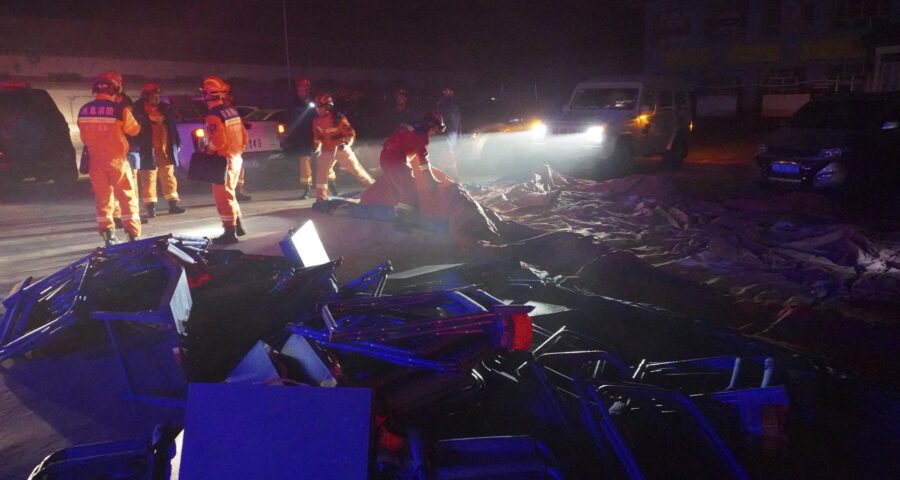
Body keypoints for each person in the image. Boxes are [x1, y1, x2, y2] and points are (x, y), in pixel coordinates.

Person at [77, 71, 142, 245]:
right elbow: (135, 130)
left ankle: (108, 235)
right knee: (127, 198)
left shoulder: (84, 110)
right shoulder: (120, 110)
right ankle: (133, 235)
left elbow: (83, 136)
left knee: (103, 199)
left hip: (95, 162)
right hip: (117, 162)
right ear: (115, 88)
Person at [201, 76, 248, 245]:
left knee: (223, 196)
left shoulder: (214, 115)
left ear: (209, 95)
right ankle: (238, 225)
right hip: (236, 158)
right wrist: (237, 152)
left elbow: (218, 141)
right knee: (231, 194)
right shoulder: (231, 111)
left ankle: (229, 231)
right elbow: (244, 136)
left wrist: (208, 150)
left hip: (223, 161)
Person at [311, 92, 374, 210]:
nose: (318, 109)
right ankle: (321, 200)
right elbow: (317, 137)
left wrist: (346, 144)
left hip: (341, 149)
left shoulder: (338, 119)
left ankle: (375, 189)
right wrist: (317, 148)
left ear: (328, 107)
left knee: (357, 170)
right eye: (317, 107)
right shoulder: (316, 121)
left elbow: (351, 134)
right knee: (321, 173)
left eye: (320, 107)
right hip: (327, 150)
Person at [132, 83, 186, 217]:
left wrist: (177, 143)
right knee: (148, 178)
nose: (157, 98)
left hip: (165, 149)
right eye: (153, 96)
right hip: (147, 150)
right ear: (146, 97)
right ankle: (150, 207)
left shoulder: (164, 109)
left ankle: (173, 204)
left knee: (169, 176)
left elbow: (172, 127)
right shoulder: (137, 110)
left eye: (158, 96)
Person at [379, 111, 445, 208]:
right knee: (409, 191)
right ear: (430, 125)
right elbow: (422, 158)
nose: (434, 133)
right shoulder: (421, 135)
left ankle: (399, 215)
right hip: (396, 160)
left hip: (385, 157)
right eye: (435, 129)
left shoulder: (412, 126)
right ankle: (408, 219)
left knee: (398, 190)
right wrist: (431, 179)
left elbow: (406, 147)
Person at [281, 76, 334, 199]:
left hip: (316, 134)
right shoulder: (293, 102)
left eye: (304, 88)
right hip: (302, 136)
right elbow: (289, 118)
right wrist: (288, 135)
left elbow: (322, 115)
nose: (302, 91)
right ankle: (307, 188)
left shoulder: (315, 101)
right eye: (300, 88)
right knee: (304, 163)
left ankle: (331, 185)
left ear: (308, 89)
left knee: (323, 161)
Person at [435, 87, 461, 178]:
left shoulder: (444, 106)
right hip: (450, 135)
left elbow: (455, 122)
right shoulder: (454, 106)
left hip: (447, 135)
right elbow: (458, 123)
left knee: (446, 160)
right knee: (448, 159)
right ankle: (453, 180)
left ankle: (451, 181)